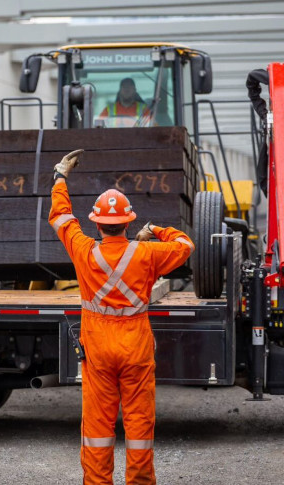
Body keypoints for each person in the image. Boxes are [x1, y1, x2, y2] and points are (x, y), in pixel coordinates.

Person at [48, 149, 195, 484]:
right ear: (129, 223)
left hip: (98, 348)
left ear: (97, 223)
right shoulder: (147, 254)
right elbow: (186, 244)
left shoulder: (83, 251)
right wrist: (155, 230)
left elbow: (61, 217)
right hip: (136, 348)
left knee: (98, 427)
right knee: (139, 423)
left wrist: (60, 176)